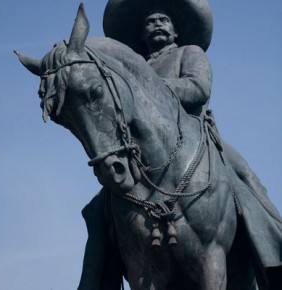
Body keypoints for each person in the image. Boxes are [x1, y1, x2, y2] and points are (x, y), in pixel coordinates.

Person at [78, 0, 282, 289]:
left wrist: (147, 87)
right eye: (150, 22)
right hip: (142, 157)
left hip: (196, 137)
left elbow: (199, 89)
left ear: (176, 31)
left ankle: (272, 250)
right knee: (98, 210)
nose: (157, 24)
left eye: (164, 20)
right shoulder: (132, 69)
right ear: (141, 34)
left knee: (246, 178)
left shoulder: (190, 53)